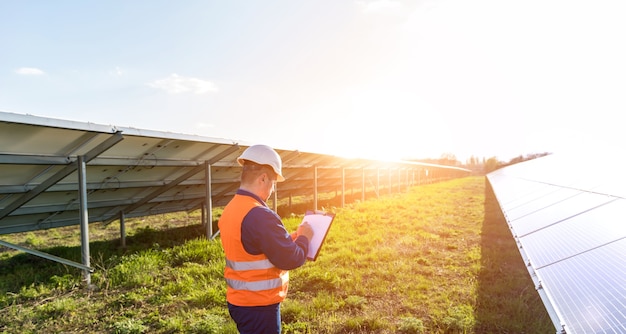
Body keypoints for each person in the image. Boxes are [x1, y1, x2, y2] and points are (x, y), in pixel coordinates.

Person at [218, 144, 314, 334]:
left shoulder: (232, 208)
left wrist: (291, 237)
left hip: (240, 301)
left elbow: (255, 246)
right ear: (263, 178)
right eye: (273, 183)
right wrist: (304, 239)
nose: (272, 190)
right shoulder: (260, 214)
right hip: (258, 306)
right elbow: (290, 259)